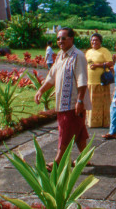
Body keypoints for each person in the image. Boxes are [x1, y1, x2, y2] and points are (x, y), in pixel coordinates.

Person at [34, 27, 89, 169]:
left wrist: (80, 101)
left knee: (66, 131)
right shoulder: (60, 55)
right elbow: (51, 77)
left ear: (71, 39)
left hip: (73, 103)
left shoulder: (78, 56)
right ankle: (85, 158)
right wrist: (41, 90)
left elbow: (82, 80)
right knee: (79, 130)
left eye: (63, 38)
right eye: (58, 39)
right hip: (62, 103)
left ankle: (58, 161)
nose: (60, 41)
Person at [85, 33, 114, 128]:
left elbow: (110, 63)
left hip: (101, 82)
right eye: (92, 40)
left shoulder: (104, 51)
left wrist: (98, 65)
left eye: (96, 40)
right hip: (90, 81)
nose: (94, 42)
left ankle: (102, 122)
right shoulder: (88, 51)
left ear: (100, 41)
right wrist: (91, 65)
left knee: (101, 103)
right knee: (91, 102)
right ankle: (92, 122)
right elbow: (89, 61)